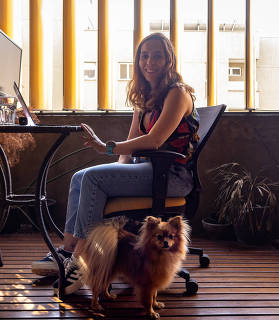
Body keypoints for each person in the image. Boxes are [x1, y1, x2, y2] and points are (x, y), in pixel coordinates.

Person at [31, 32, 200, 295]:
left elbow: (154, 141)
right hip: (147, 170)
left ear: (169, 60)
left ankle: (81, 261)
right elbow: (132, 140)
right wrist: (119, 166)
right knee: (81, 176)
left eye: (157, 55)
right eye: (144, 56)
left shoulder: (177, 94)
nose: (149, 62)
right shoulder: (145, 97)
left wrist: (106, 148)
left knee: (93, 178)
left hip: (171, 177)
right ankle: (65, 253)